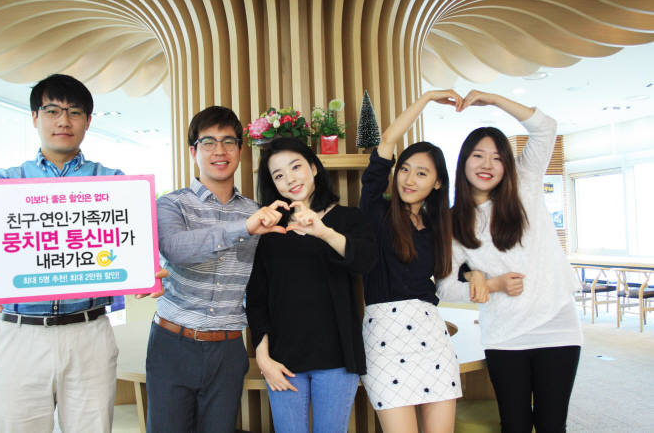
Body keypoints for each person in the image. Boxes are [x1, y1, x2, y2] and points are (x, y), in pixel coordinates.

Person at [0, 74, 166, 433]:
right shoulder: (5, 182)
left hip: (89, 331)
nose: (63, 121)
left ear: (87, 121)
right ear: (35, 117)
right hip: (20, 333)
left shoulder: (113, 182)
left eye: (74, 112)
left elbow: (136, 236)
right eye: (52, 111)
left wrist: (147, 267)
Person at [436, 90, 582, 433]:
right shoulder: (455, 221)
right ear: (464, 162)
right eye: (478, 156)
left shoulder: (525, 186)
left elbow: (545, 127)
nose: (487, 165)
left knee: (552, 425)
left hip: (557, 324)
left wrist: (492, 99)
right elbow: (445, 288)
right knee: (514, 425)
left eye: (497, 158)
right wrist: (492, 283)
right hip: (504, 334)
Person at [146, 106, 287, 433]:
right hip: (172, 343)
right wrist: (244, 228)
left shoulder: (256, 211)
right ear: (193, 152)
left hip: (227, 349)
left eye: (228, 142)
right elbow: (177, 249)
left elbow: (263, 285)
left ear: (240, 150)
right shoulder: (172, 204)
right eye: (208, 142)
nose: (219, 151)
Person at [359, 89, 488, 433]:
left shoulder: (438, 226)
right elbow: (387, 141)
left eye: (421, 173)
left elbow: (457, 268)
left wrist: (474, 273)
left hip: (431, 333)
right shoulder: (376, 211)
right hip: (384, 337)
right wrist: (426, 98)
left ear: (437, 182)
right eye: (405, 169)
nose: (409, 179)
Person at [245, 137, 377, 433]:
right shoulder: (270, 230)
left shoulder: (348, 218)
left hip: (338, 359)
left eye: (296, 167)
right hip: (282, 361)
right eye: (279, 175)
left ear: (314, 168)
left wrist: (324, 232)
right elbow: (256, 299)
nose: (290, 179)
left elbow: (365, 261)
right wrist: (264, 359)